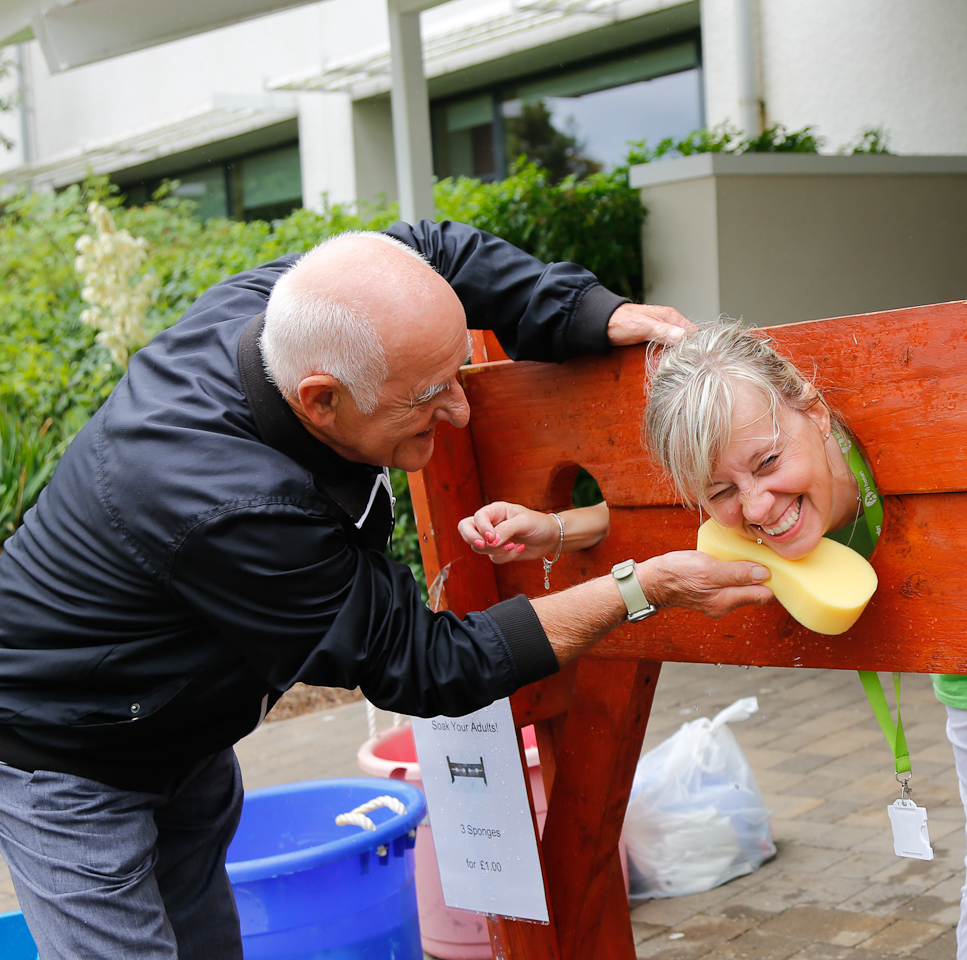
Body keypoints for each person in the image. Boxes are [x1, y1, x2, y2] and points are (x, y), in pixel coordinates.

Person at [0, 224, 774, 960]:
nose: (461, 410)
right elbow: (429, 666)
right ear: (320, 400)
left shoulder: (301, 309)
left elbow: (432, 251)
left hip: (185, 731)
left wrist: (583, 313)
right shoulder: (235, 508)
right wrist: (644, 586)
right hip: (70, 761)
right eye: (428, 395)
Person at [627, 320, 967, 960]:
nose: (755, 508)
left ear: (814, 406)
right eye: (721, 491)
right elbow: (625, 526)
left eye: (769, 462)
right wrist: (559, 528)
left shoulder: (951, 437)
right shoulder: (755, 522)